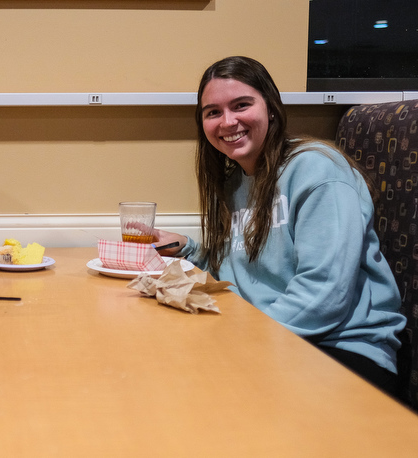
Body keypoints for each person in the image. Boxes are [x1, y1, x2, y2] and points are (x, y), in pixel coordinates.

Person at [154, 56, 406, 396]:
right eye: (213, 112)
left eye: (241, 105)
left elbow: (324, 294)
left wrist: (236, 342)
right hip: (271, 338)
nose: (227, 122)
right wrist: (189, 249)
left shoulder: (317, 171)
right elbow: (242, 267)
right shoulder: (233, 181)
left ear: (271, 108)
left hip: (341, 350)